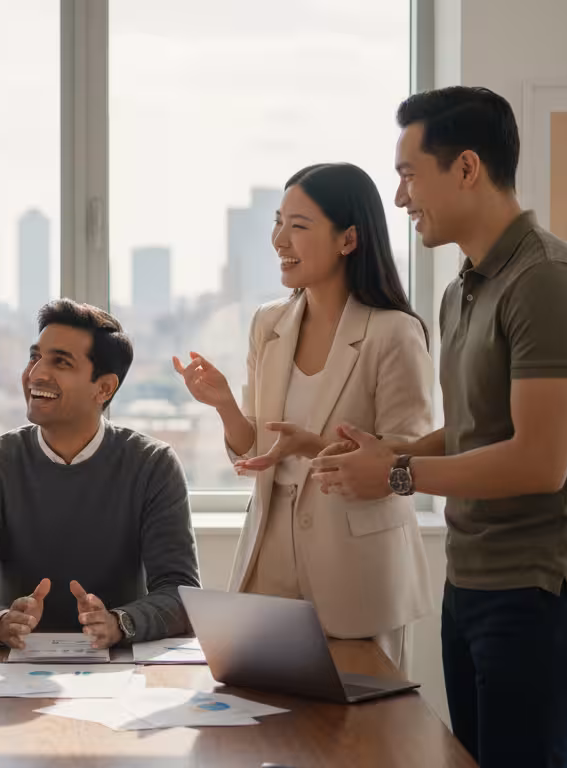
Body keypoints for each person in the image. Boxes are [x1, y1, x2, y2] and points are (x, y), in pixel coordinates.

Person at [311, 86, 567, 768]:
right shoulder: (465, 288)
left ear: (468, 168)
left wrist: (394, 474)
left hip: (541, 588)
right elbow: (478, 428)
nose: (399, 198)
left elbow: (540, 461)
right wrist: (393, 449)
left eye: (409, 174)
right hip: (474, 579)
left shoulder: (548, 282)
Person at [172, 163, 433, 675]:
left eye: (298, 225)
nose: (278, 239)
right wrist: (225, 404)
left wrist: (313, 447)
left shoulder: (393, 333)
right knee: (264, 726)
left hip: (357, 572)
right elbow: (255, 451)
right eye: (277, 221)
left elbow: (406, 465)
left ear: (348, 238)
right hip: (269, 554)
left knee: (359, 740)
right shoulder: (269, 325)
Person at [0, 300, 200, 649]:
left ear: (104, 388)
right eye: (35, 357)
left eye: (60, 362)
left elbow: (180, 592)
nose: (36, 374)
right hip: (14, 666)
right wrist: (1, 622)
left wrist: (119, 623)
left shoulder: (153, 465)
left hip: (119, 669)